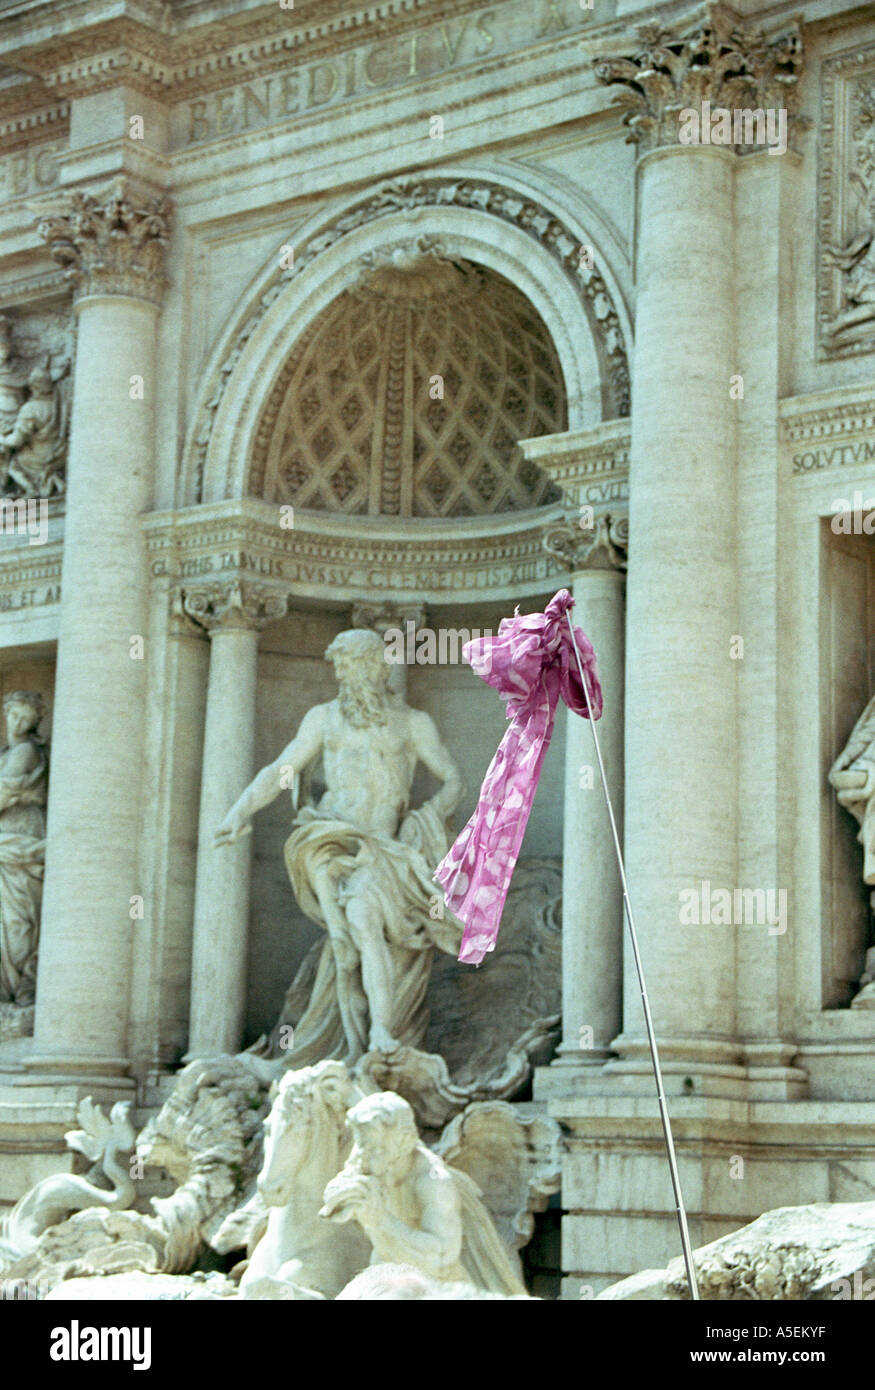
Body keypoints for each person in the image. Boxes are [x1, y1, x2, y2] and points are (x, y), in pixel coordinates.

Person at [215, 628, 463, 1064]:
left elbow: (454, 781)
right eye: (340, 667)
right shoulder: (323, 718)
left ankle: (380, 1033)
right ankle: (366, 1017)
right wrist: (240, 811)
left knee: (362, 922)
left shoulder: (411, 722)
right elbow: (281, 770)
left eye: (351, 664)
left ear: (378, 666)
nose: (344, 675)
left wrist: (423, 821)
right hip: (329, 838)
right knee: (346, 908)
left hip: (381, 847)